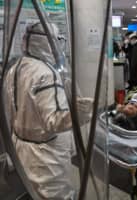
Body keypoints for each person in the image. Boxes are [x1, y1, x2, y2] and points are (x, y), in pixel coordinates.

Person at [3, 23, 93, 199]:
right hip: (46, 156)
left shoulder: (16, 68)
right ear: (46, 42)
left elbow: (11, 111)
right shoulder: (45, 73)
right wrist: (85, 109)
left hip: (21, 146)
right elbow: (55, 121)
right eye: (57, 39)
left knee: (32, 192)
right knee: (56, 195)